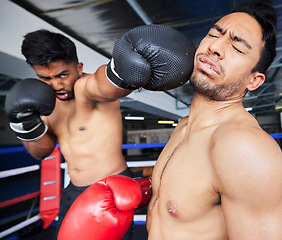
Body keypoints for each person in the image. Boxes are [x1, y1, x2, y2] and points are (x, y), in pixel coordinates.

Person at [4, 25, 195, 239]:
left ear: (78, 66)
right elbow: (42, 152)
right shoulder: (46, 103)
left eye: (62, 74)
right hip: (74, 190)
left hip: (113, 189)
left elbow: (103, 85)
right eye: (45, 78)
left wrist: (124, 71)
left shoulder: (85, 88)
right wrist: (25, 124)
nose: (56, 85)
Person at [147, 0, 282, 239]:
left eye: (238, 48)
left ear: (255, 81)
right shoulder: (184, 126)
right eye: (213, 34)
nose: (216, 47)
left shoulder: (245, 147)